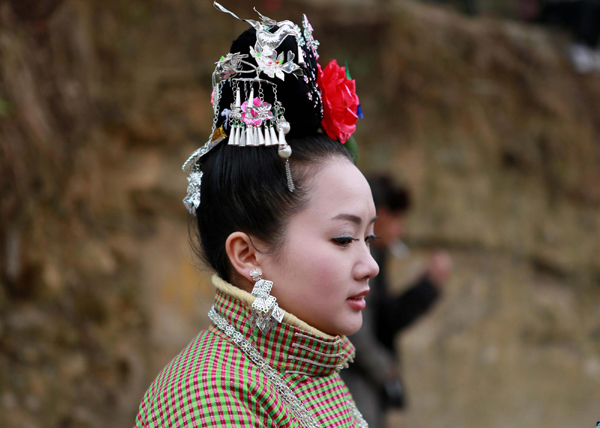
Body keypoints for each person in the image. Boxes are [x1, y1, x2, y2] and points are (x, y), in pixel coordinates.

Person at [135, 3, 377, 427]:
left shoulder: (315, 366)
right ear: (247, 255)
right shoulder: (207, 400)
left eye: (368, 239)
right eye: (343, 238)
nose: (370, 265)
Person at [341, 175, 452, 428]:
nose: (400, 229)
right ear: (379, 215)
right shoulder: (363, 258)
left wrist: (428, 286)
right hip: (354, 385)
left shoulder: (376, 256)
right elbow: (355, 331)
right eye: (398, 219)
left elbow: (382, 316)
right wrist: (384, 367)